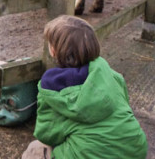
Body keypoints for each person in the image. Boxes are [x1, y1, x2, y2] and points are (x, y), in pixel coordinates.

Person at [22, 15, 148, 159]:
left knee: (35, 150)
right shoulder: (110, 75)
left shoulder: (52, 87)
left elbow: (46, 134)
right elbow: (123, 103)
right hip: (134, 149)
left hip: (89, 154)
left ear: (53, 51)